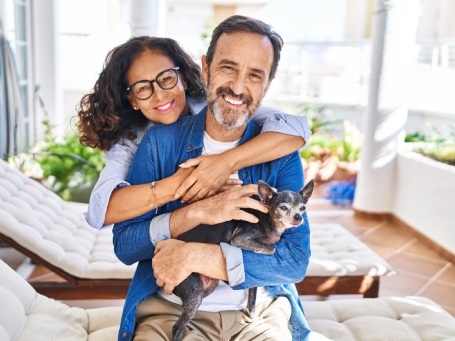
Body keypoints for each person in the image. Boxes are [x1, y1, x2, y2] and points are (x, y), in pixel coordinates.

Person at [114, 15, 311, 341]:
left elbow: (295, 262)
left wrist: (196, 255)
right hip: (172, 311)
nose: (237, 87)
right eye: (228, 68)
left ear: (267, 84)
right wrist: (191, 214)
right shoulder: (160, 144)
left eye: (254, 75)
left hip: (258, 312)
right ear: (206, 68)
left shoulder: (282, 152)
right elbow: (125, 245)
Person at [76, 36, 311, 229]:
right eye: (143, 88)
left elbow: (295, 130)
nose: (160, 95)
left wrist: (223, 164)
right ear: (133, 99)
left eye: (166, 78)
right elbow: (99, 211)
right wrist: (183, 183)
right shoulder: (132, 140)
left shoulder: (217, 105)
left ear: (183, 79)